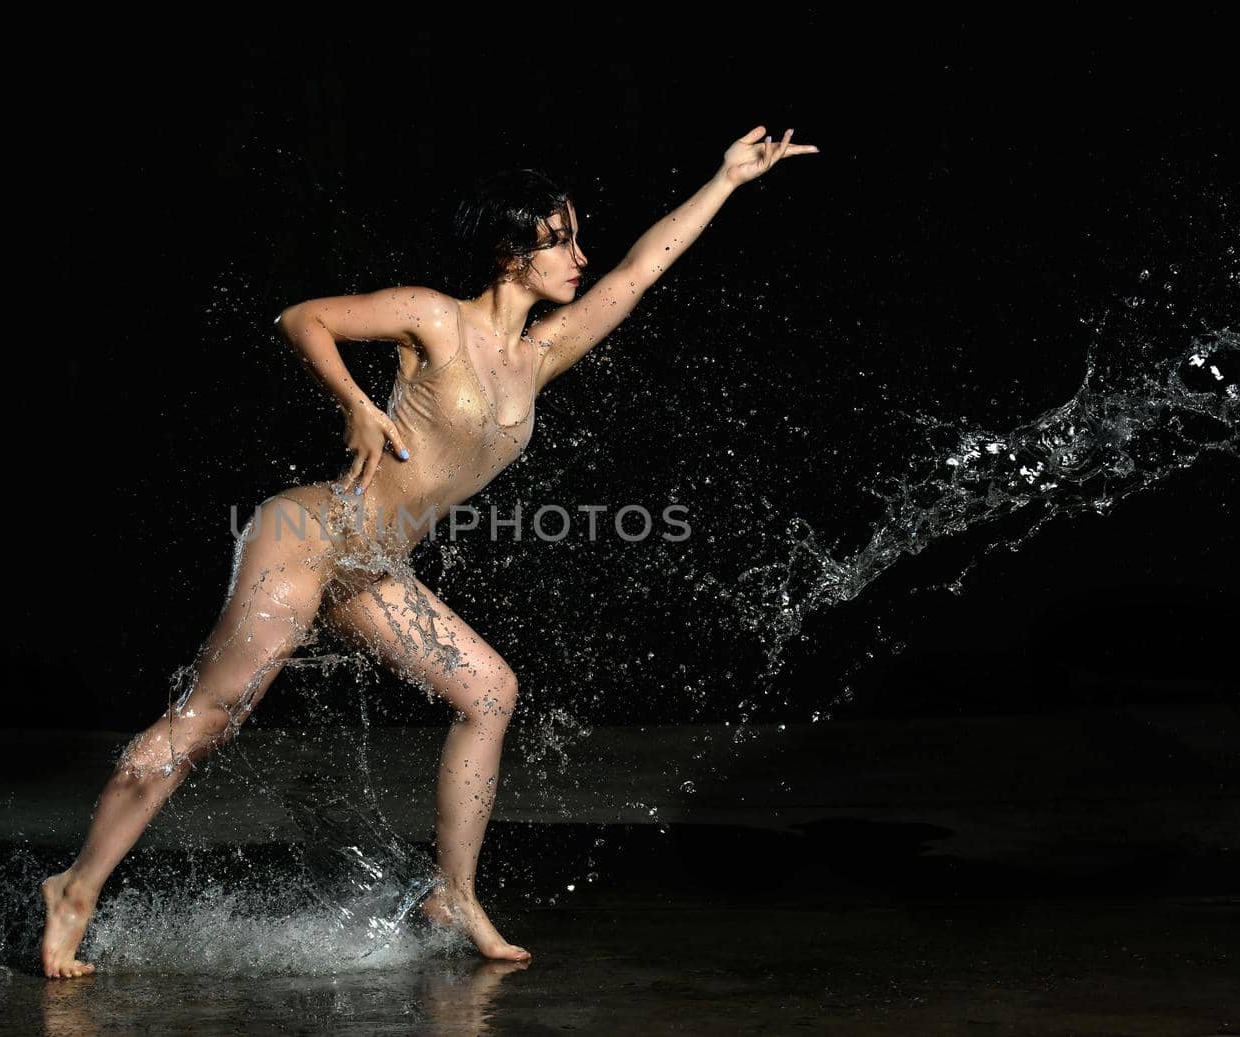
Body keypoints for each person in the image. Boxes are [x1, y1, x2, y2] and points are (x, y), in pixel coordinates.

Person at [40, 125, 819, 978]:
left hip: (372, 571)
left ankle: (456, 891)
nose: (578, 255)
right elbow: (303, 319)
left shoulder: (537, 355)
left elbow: (638, 273)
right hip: (307, 536)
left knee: (489, 689)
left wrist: (727, 179)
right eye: (558, 240)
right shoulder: (432, 319)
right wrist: (353, 404)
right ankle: (74, 890)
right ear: (510, 252)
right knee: (210, 719)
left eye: (574, 237)